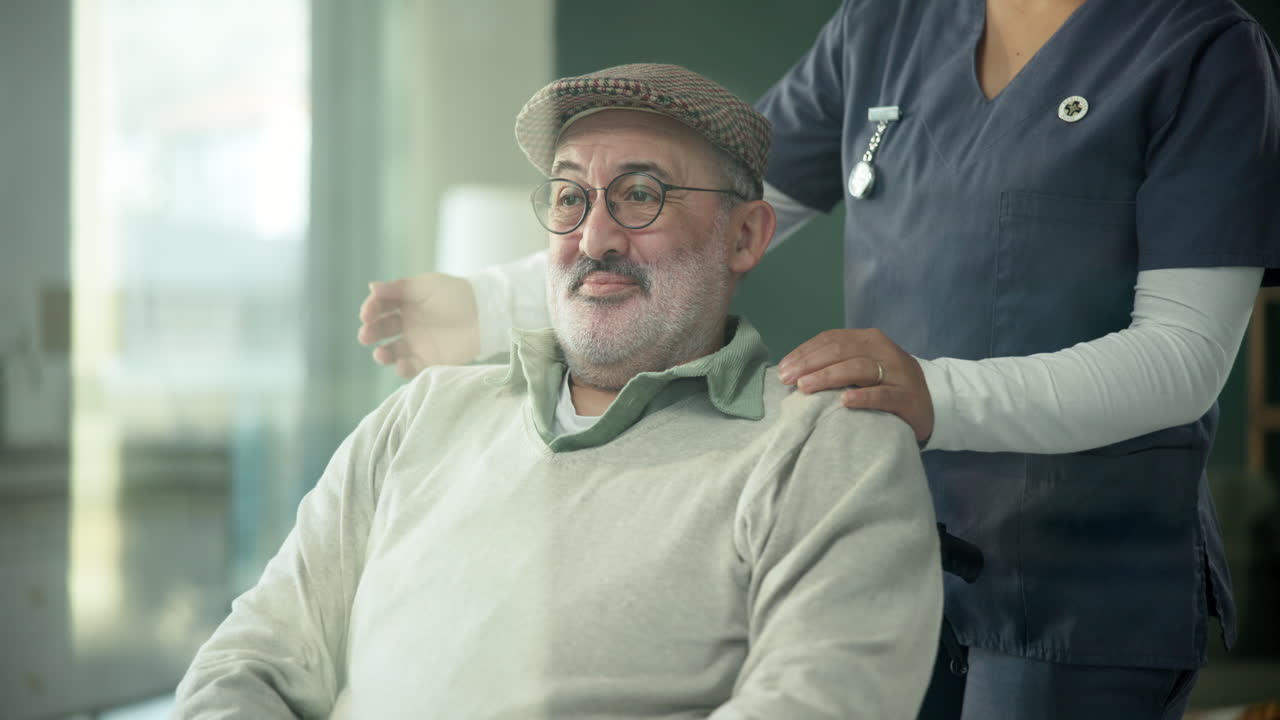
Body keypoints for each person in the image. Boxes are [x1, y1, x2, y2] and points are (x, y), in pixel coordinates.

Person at [356, 1, 1280, 718]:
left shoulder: (1198, 51)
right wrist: (488, 302)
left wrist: (936, 394)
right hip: (882, 554)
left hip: (1076, 593)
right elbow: (693, 209)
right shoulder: (887, 26)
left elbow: (1183, 361)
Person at [176, 64, 944, 719]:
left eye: (641, 195)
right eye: (570, 197)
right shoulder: (420, 417)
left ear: (745, 236)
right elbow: (245, 667)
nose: (595, 238)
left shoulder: (828, 445)